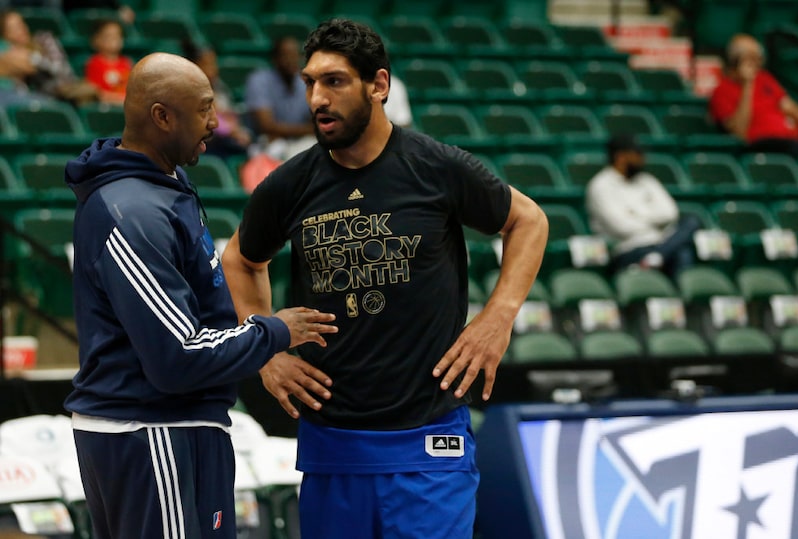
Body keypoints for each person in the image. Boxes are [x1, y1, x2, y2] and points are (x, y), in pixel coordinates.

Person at [221, 18, 548, 539]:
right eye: (310, 83)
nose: (317, 99)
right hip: (332, 448)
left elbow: (528, 220)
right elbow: (240, 259)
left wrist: (499, 316)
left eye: (334, 81)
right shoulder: (290, 184)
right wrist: (266, 349)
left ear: (378, 86)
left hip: (429, 443)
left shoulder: (435, 167)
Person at [63, 52, 338, 539]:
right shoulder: (131, 212)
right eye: (205, 109)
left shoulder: (167, 186)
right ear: (162, 116)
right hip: (148, 431)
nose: (217, 122)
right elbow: (176, 357)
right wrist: (274, 331)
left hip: (178, 425)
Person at [586, 133, 700, 281]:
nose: (642, 158)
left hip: (660, 243)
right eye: (637, 153)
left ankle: (657, 256)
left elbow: (670, 213)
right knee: (682, 252)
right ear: (620, 156)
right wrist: (655, 222)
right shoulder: (601, 185)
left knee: (691, 222)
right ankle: (660, 260)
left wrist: (635, 213)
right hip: (628, 249)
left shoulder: (647, 181)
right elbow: (622, 227)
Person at [709, 33, 798, 155]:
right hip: (762, 146)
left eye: (758, 57)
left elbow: (789, 106)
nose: (758, 62)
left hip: (792, 141)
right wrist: (748, 84)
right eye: (752, 57)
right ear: (736, 61)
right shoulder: (722, 91)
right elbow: (739, 132)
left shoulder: (764, 78)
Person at [0, 8, 99, 105]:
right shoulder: (6, 47)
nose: (22, 30)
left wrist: (33, 57)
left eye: (21, 24)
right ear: (5, 34)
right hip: (37, 96)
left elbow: (59, 68)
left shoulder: (43, 39)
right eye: (13, 28)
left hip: (66, 90)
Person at [244, 36, 316, 161]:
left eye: (295, 55)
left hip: (299, 142)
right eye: (286, 55)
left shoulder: (304, 83)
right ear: (275, 59)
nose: (291, 60)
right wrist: (307, 130)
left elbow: (316, 123)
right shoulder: (259, 80)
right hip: (265, 143)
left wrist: (284, 130)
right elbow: (266, 126)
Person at [181, 38, 251, 160]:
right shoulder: (188, 90)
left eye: (214, 63)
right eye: (207, 64)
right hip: (206, 144)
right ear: (194, 66)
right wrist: (231, 131)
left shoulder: (220, 87)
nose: (213, 69)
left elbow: (230, 115)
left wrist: (236, 129)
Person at [84, 18, 131, 104]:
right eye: (108, 36)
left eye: (118, 35)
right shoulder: (94, 63)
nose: (114, 39)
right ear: (96, 40)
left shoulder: (126, 62)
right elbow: (97, 93)